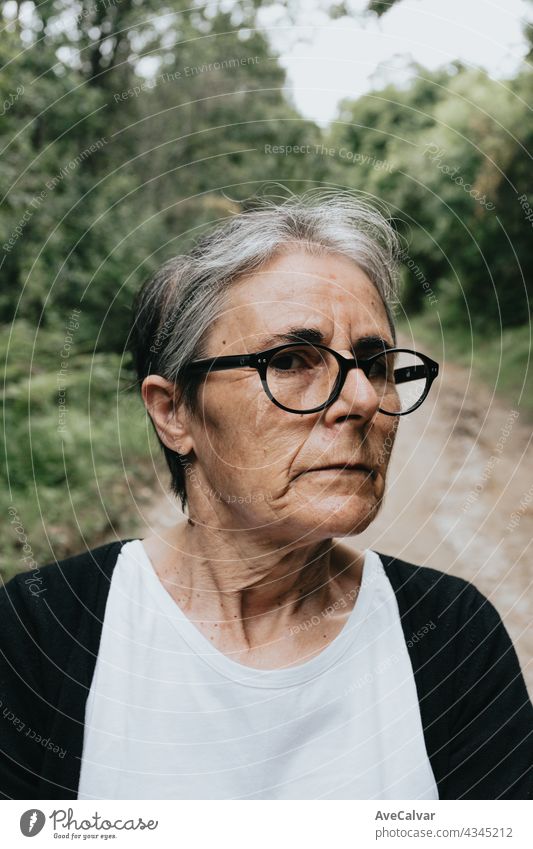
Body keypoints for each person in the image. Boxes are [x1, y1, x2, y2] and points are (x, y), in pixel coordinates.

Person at [1, 191, 531, 800]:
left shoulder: (453, 638)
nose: (362, 400)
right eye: (290, 361)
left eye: (376, 363)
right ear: (174, 412)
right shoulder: (44, 634)